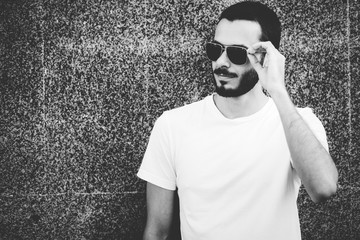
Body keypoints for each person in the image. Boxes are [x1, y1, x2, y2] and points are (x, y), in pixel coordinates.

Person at [137, 1, 338, 239]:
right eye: (216, 49)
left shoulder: (297, 122)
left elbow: (324, 189)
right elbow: (157, 231)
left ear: (265, 57)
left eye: (236, 53)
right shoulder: (173, 125)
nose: (221, 62)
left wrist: (278, 90)